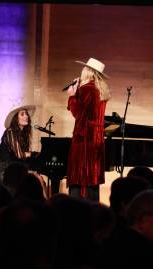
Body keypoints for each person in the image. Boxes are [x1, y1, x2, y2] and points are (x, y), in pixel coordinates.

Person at [66, 58, 111, 202]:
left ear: (87, 71)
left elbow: (78, 113)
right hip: (96, 138)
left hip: (84, 139)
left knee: (79, 178)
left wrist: (72, 96)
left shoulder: (87, 89)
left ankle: (77, 210)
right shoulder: (101, 90)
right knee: (92, 179)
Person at [0, 105, 35, 186]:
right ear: (16, 118)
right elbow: (20, 155)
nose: (26, 116)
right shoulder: (10, 132)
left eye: (26, 114)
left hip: (14, 170)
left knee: (38, 180)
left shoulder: (23, 134)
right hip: (4, 171)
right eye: (22, 114)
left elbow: (23, 158)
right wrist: (33, 154)